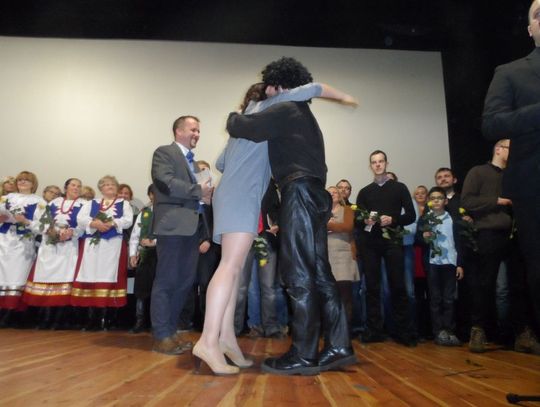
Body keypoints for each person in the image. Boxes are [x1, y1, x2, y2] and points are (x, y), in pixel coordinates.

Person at [225, 57, 358, 375]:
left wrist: (236, 113)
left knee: (298, 274)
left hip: (298, 192)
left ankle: (303, 353)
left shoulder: (285, 109)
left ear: (279, 85)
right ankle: (338, 346)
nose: (266, 92)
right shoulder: (304, 115)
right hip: (315, 194)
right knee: (320, 274)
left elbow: (242, 127)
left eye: (269, 87)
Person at [482, 0, 540, 338]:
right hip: (535, 186)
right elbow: (491, 123)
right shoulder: (510, 72)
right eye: (538, 14)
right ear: (530, 30)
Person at [150, 116, 213, 356]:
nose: (197, 134)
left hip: (191, 228)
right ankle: (161, 335)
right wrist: (198, 190)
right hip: (173, 226)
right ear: (178, 131)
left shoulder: (194, 164)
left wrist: (206, 198)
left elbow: (194, 195)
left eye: (198, 130)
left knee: (184, 282)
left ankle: (172, 331)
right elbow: (165, 182)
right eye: (193, 129)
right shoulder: (164, 152)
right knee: (167, 280)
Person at [355, 150, 417, 346]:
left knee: (398, 286)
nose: (378, 164)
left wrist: (393, 219)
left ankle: (403, 332)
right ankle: (374, 331)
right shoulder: (364, 192)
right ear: (370, 166)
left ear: (386, 164)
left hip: (392, 242)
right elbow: (358, 220)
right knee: (372, 288)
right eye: (374, 162)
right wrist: (365, 220)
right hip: (370, 244)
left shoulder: (399, 188)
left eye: (381, 161)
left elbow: (411, 216)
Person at [71, 175, 133, 330]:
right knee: (91, 276)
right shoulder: (91, 203)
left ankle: (107, 319)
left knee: (110, 278)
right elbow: (80, 218)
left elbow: (128, 220)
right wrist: (94, 223)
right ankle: (92, 319)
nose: (110, 186)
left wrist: (112, 223)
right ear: (101, 188)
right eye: (106, 184)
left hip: (113, 245)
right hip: (93, 247)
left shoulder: (123, 203)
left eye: (112, 184)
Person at [23, 178, 85, 329]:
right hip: (49, 247)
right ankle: (44, 318)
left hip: (69, 248)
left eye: (79, 186)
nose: (76, 188)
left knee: (64, 280)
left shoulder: (83, 205)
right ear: (66, 187)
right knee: (46, 278)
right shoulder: (54, 203)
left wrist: (71, 232)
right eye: (73, 185)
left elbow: (84, 226)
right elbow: (41, 222)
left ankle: (58, 320)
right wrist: (49, 231)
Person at [417, 186, 464, 346]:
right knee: (435, 298)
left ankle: (450, 330)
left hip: (450, 262)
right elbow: (418, 239)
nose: (436, 201)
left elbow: (458, 242)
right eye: (432, 198)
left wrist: (459, 264)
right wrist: (424, 236)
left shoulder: (453, 218)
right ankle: (438, 331)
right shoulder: (425, 219)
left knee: (449, 299)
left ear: (445, 201)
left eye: (439, 198)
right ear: (429, 202)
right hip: (432, 263)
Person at [0, 171, 44, 325]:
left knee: (18, 274)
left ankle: (13, 312)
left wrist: (25, 221)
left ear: (33, 184)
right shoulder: (6, 198)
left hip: (23, 242)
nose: (22, 182)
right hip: (4, 240)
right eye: (20, 180)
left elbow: (42, 226)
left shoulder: (39, 201)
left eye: (27, 180)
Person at [326, 186, 360, 328]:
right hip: (326, 256)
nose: (332, 194)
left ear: (340, 196)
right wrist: (336, 226)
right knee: (329, 296)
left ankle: (345, 329)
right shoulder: (321, 211)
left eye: (335, 192)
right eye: (329, 192)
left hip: (344, 256)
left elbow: (347, 226)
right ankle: (331, 329)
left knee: (345, 295)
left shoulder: (347, 210)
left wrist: (327, 225)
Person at [128, 184, 157, 333]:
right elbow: (135, 235)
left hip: (162, 255)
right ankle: (139, 322)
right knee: (141, 290)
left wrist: (154, 242)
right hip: (145, 255)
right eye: (153, 193)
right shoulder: (144, 213)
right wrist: (133, 254)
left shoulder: (169, 213)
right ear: (150, 195)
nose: (156, 196)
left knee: (158, 290)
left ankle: (156, 323)